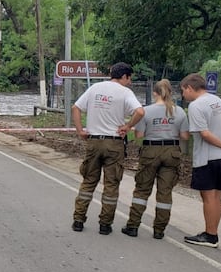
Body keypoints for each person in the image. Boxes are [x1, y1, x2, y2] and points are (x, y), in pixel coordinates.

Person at [71, 62, 144, 235]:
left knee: (89, 181)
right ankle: (105, 224)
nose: (130, 82)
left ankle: (78, 220)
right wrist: (127, 126)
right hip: (114, 143)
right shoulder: (125, 92)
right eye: (129, 78)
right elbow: (140, 112)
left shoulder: (95, 88)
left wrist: (80, 130)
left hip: (94, 141)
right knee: (111, 185)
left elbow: (76, 107)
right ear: (124, 76)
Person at [121, 79, 189, 239]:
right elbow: (185, 136)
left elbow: (139, 135)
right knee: (165, 192)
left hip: (150, 150)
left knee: (142, 189)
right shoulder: (179, 111)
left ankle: (133, 226)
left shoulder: (147, 111)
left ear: (155, 93)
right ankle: (159, 230)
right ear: (170, 92)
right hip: (172, 151)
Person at [179, 73, 221, 247]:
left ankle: (210, 234)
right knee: (217, 195)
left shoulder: (196, 106)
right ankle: (213, 231)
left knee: (208, 196)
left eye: (184, 91)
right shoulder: (219, 101)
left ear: (190, 88)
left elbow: (204, 134)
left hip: (208, 158)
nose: (183, 95)